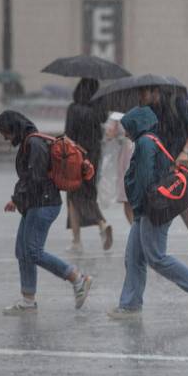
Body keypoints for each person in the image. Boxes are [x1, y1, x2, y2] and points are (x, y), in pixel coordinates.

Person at [106, 106, 188, 320]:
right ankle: (130, 305)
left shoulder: (145, 143)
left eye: (127, 128)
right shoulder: (151, 139)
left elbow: (145, 179)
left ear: (136, 126)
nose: (125, 133)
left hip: (151, 208)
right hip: (148, 207)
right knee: (134, 256)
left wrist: (138, 203)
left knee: (156, 257)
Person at [0, 110, 92, 315]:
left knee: (33, 251)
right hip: (35, 203)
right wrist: (18, 200)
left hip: (43, 204)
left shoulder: (34, 144)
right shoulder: (30, 142)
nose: (5, 137)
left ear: (14, 127)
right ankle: (28, 300)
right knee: (23, 251)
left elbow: (35, 178)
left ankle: (76, 277)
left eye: (5, 132)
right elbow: (31, 178)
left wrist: (16, 198)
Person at [140, 85, 188, 259]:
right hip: (165, 159)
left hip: (182, 157)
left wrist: (185, 151)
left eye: (145, 93)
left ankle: (158, 245)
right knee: (175, 199)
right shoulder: (152, 108)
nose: (142, 96)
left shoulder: (178, 103)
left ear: (155, 91)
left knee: (174, 197)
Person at [64, 77, 113, 253]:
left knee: (74, 196)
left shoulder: (73, 109)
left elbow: (68, 136)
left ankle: (98, 225)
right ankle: (80, 239)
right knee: (87, 193)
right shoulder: (98, 111)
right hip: (94, 157)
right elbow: (102, 134)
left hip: (76, 156)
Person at [105, 112, 136, 224]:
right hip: (139, 151)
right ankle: (138, 229)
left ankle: (134, 228)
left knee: (127, 199)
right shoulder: (141, 111)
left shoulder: (117, 116)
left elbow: (109, 135)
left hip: (125, 154)